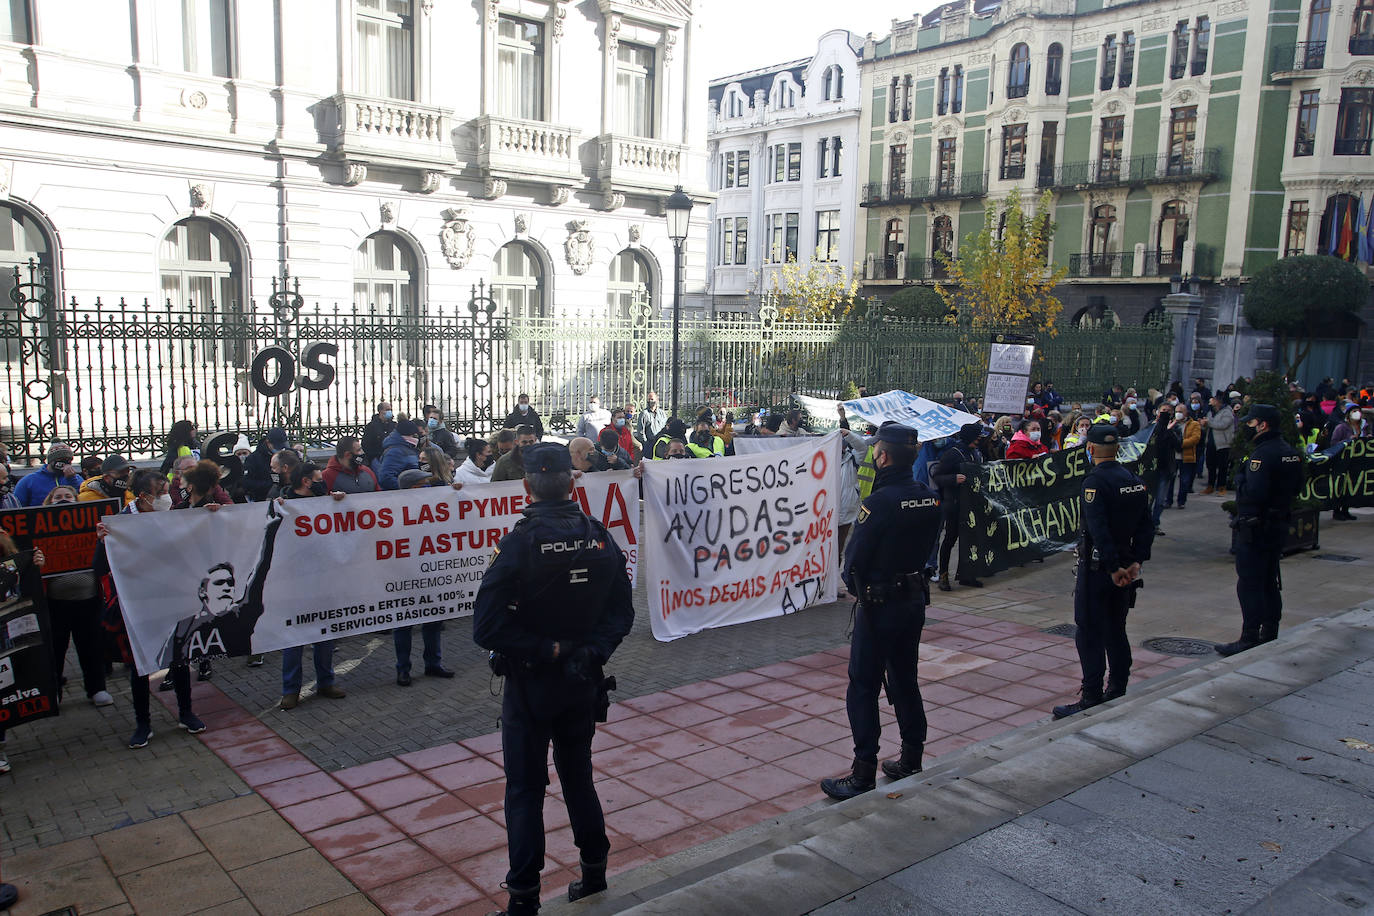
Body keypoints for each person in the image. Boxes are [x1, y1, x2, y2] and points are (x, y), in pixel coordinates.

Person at [473, 443, 634, 914]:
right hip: (582, 680)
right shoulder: (599, 536)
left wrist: (549, 650)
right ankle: (594, 873)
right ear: (573, 481)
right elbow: (621, 613)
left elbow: (486, 627)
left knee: (524, 789)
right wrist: (589, 651)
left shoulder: (519, 543)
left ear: (526, 486)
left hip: (532, 685)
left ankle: (523, 899)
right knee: (578, 776)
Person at [820, 424, 941, 800]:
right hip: (914, 602)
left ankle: (862, 772)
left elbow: (852, 563)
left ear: (883, 456)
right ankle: (911, 757)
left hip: (881, 604)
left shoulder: (880, 503)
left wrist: (864, 593)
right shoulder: (929, 497)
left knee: (864, 686)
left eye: (875, 450)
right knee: (906, 680)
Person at [90, 470, 206, 748]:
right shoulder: (120, 525)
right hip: (137, 606)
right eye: (162, 491)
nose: (168, 496)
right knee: (140, 666)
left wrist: (211, 514)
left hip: (171, 600)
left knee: (178, 659)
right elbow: (99, 568)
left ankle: (186, 712)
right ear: (144, 496)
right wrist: (102, 542)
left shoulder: (173, 516)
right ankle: (143, 723)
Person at [1051, 424, 1154, 718]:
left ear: (1091, 449)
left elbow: (1098, 529)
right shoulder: (1134, 480)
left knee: (1089, 631)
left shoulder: (1094, 483)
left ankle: (1092, 694)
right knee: (1116, 628)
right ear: (1118, 448)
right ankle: (1118, 685)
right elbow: (1146, 526)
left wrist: (1112, 567)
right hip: (1125, 567)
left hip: (1100, 569)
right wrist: (1135, 562)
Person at [1217, 405, 1304, 656]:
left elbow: (1253, 493)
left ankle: (1250, 636)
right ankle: (1270, 631)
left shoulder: (1261, 456)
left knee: (1250, 582)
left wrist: (1240, 480)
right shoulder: (1291, 452)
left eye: (1251, 422)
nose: (1247, 426)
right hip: (1278, 524)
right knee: (1269, 579)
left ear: (1262, 424)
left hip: (1256, 527)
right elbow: (1297, 486)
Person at [156, 501, 284, 670]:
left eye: (230, 583)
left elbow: (260, 573)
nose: (227, 587)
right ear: (203, 591)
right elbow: (162, 659)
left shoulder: (240, 614)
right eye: (219, 583)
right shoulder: (183, 626)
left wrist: (270, 532)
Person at [279, 465, 346, 709]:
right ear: (306, 481)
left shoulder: (324, 501)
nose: (322, 482)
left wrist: (338, 502)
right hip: (294, 582)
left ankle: (326, 682)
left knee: (325, 634)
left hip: (322, 578)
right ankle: (291, 690)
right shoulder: (282, 502)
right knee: (294, 637)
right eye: (318, 479)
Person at [932, 423, 985, 592]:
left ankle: (967, 574)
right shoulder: (953, 454)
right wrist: (954, 479)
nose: (980, 440)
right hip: (954, 503)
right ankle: (943, 575)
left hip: (971, 503)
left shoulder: (974, 453)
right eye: (977, 436)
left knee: (970, 539)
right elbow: (937, 475)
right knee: (950, 539)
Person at [1330, 404, 1368, 521]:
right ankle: (1337, 510)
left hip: (1357, 461)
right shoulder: (1341, 427)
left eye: (1358, 411)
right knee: (1341, 485)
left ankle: (1346, 510)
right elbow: (1334, 443)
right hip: (1343, 461)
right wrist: (1347, 440)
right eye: (1354, 411)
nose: (1357, 413)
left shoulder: (1364, 427)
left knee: (1351, 485)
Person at [15, 443, 82, 506]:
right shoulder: (29, 481)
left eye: (69, 460)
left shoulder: (76, 478)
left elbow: (81, 499)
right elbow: (17, 504)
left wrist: (72, 480)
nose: (65, 463)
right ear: (51, 460)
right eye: (61, 459)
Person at [1202, 395, 1235, 496]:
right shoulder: (1210, 412)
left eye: (1214, 399)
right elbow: (1209, 425)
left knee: (1222, 466)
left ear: (1219, 401)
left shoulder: (1227, 412)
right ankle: (1210, 486)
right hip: (1211, 443)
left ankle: (1221, 487)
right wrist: (1203, 424)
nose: (1211, 401)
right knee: (1210, 465)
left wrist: (1209, 422)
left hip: (1223, 444)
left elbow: (1222, 425)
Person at [243, 428, 287, 501]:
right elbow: (247, 483)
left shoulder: (287, 454)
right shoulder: (253, 459)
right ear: (268, 442)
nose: (279, 449)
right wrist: (270, 485)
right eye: (276, 446)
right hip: (261, 498)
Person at [378, 419, 422, 490]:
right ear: (410, 434)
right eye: (415, 435)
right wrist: (406, 489)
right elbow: (385, 478)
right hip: (402, 496)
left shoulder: (408, 448)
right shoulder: (395, 452)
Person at [1172, 403, 1202, 508]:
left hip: (1186, 456)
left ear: (1186, 412)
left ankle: (1181, 501)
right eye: (1176, 411)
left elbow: (1195, 438)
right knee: (1170, 480)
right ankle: (1168, 500)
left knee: (1184, 480)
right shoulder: (1172, 423)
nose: (1178, 414)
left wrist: (1180, 444)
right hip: (1173, 457)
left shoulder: (1194, 424)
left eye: (1181, 411)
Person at [362, 401, 395, 465]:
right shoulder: (371, 426)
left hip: (392, 456)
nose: (389, 412)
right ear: (380, 411)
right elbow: (365, 444)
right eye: (387, 410)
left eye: (390, 410)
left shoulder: (393, 425)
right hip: (377, 457)